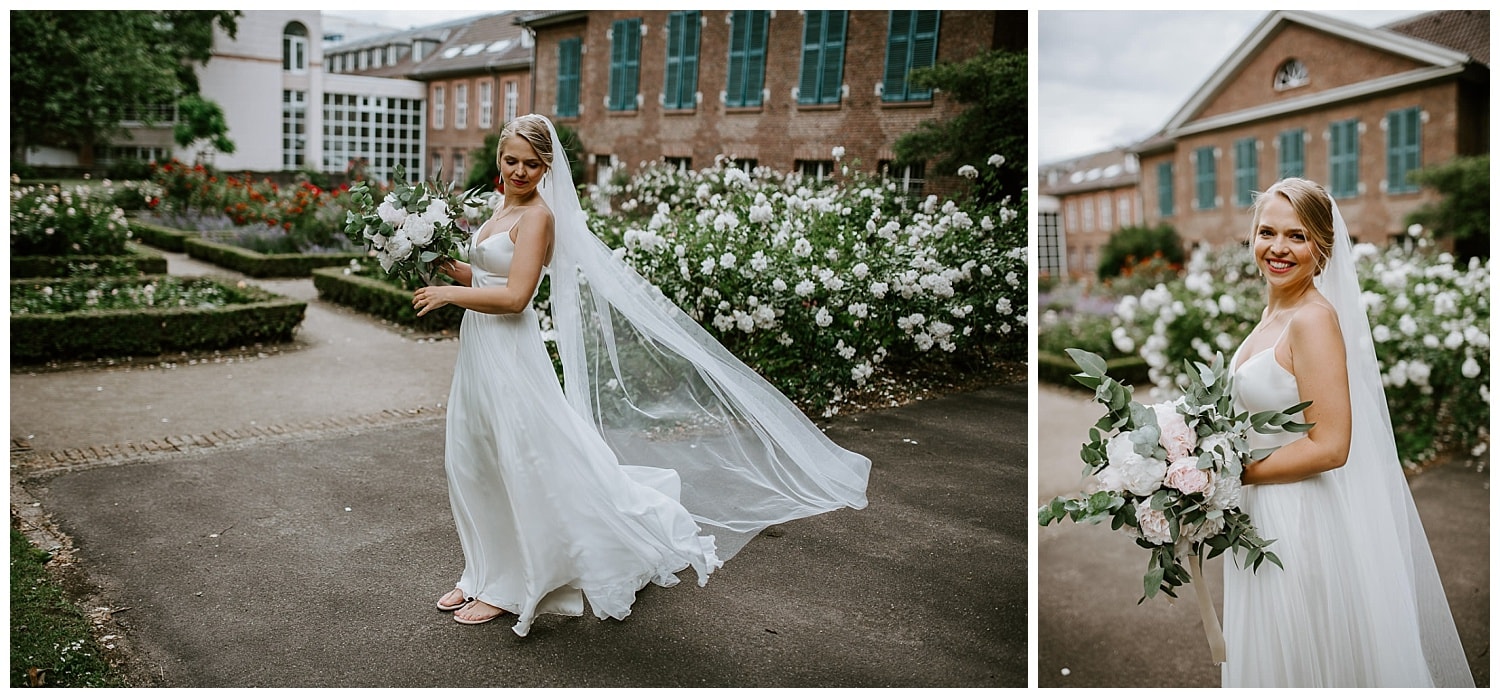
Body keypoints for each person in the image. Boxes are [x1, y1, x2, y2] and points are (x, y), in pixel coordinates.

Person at [410, 115, 871, 635]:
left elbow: (517, 297)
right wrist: (437, 261)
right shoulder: (501, 207)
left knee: (519, 462)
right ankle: (482, 571)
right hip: (479, 348)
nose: (519, 171)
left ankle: (510, 588)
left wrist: (451, 295)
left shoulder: (538, 216)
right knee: (473, 461)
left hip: (511, 351)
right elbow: (490, 275)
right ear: (499, 157)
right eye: (511, 160)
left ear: (547, 168)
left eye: (531, 164)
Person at [1221, 177, 1473, 687]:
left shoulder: (1312, 319)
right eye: (1267, 231)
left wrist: (1226, 471)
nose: (1278, 248)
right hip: (1260, 514)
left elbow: (1332, 445)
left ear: (1324, 245)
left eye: (1297, 236)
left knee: (1305, 658)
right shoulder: (1273, 314)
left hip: (1298, 519)